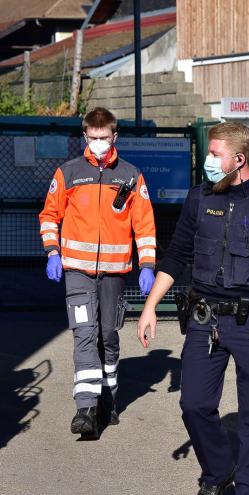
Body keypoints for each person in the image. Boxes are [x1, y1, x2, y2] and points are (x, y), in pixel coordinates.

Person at [137, 122, 249, 495]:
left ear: (239, 159)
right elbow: (176, 257)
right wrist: (150, 306)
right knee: (194, 405)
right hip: (205, 319)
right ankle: (218, 471)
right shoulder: (198, 199)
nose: (207, 160)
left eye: (214, 154)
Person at [39, 107, 156, 438]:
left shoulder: (131, 176)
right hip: (76, 269)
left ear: (114, 137)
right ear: (84, 136)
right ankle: (86, 409)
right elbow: (49, 215)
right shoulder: (69, 173)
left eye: (104, 138)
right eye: (93, 138)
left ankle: (108, 399)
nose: (99, 143)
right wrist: (52, 252)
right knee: (84, 333)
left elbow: (144, 226)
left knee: (108, 336)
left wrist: (147, 265)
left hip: (115, 273)